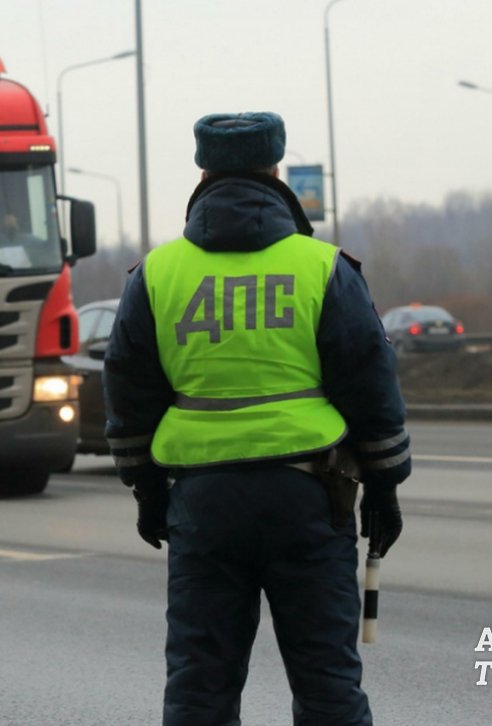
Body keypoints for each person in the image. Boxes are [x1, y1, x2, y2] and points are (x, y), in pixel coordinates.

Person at [103, 112, 408, 725]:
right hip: (310, 499)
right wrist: (384, 486)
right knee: (327, 684)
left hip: (204, 505)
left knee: (200, 686)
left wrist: (145, 489)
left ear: (203, 171)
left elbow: (129, 392)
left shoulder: (157, 275)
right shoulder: (324, 267)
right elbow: (369, 383)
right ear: (276, 170)